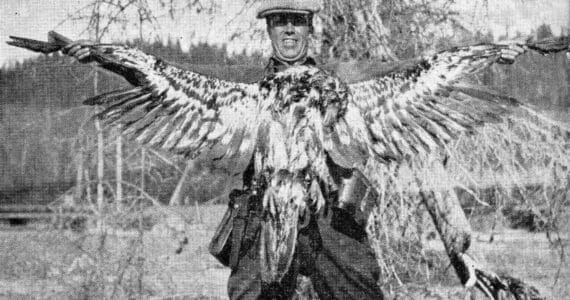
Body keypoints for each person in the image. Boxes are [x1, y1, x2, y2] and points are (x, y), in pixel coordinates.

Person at [64, 1, 384, 299]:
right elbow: (164, 81)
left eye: (297, 22)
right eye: (280, 21)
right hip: (265, 213)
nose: (289, 29)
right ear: (269, 28)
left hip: (328, 217)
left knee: (358, 290)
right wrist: (106, 56)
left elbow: (407, 80)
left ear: (310, 27)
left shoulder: (338, 84)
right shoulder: (246, 87)